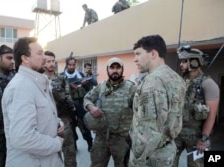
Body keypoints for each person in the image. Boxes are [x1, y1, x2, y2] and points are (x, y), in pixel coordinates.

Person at [1, 37, 64, 167]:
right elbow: (23, 137)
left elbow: (41, 115)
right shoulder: (20, 87)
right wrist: (56, 143)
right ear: (25, 58)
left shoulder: (37, 83)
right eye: (40, 53)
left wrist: (56, 123)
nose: (45, 58)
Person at [129, 35, 186, 167]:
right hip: (167, 149)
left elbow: (149, 130)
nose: (135, 59)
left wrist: (137, 159)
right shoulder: (176, 78)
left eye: (138, 54)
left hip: (150, 156)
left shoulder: (153, 82)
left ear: (153, 54)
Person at [83, 57, 136, 167]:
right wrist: (91, 107)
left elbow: (140, 112)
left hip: (121, 139)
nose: (115, 70)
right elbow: (87, 98)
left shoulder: (131, 89)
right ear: (107, 69)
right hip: (101, 138)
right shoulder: (101, 87)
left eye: (118, 68)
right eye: (112, 68)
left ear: (122, 69)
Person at [174, 46, 220, 167]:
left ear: (194, 62)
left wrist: (204, 138)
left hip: (196, 135)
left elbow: (211, 115)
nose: (181, 64)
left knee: (196, 165)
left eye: (184, 61)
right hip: (177, 132)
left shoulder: (208, 84)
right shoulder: (180, 81)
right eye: (181, 61)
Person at [44, 51, 77, 167]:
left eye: (53, 61)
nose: (51, 64)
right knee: (49, 152)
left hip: (63, 116)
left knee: (69, 150)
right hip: (46, 119)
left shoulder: (62, 78)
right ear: (43, 62)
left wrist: (72, 114)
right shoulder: (39, 78)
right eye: (48, 61)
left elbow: (68, 97)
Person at [61, 56, 93, 152]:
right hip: (68, 106)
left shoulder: (80, 74)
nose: (71, 67)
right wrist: (69, 87)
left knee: (84, 125)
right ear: (66, 65)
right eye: (70, 65)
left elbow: (88, 90)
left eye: (73, 64)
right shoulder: (62, 76)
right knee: (71, 126)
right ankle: (74, 145)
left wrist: (85, 84)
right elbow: (59, 92)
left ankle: (90, 144)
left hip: (80, 104)